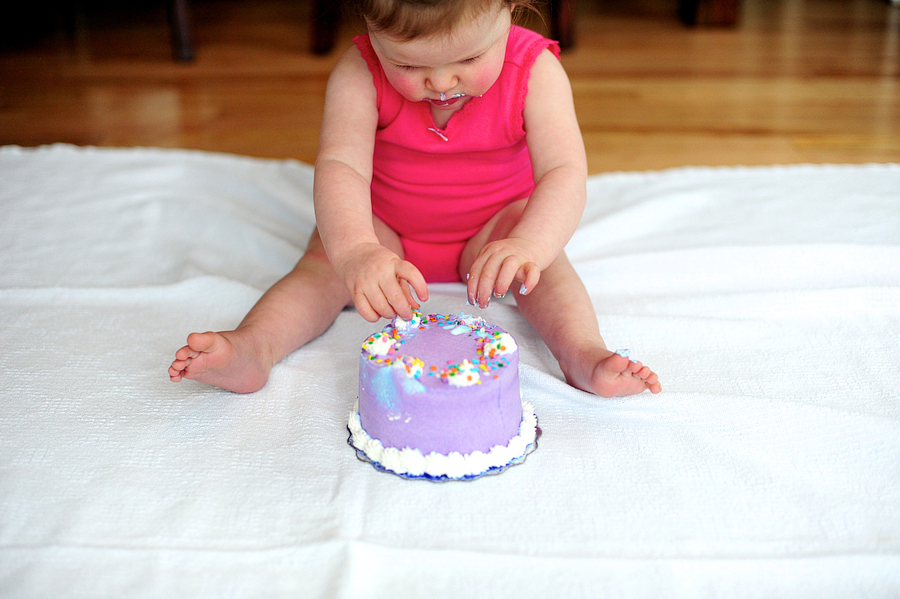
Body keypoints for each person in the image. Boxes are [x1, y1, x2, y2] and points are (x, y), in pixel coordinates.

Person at [169, 0, 661, 397]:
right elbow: (341, 167)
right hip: (384, 227)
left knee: (545, 270)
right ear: (370, 27)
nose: (443, 83)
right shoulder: (359, 72)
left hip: (494, 229)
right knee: (321, 267)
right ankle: (255, 347)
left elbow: (564, 171)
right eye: (408, 64)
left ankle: (582, 353)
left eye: (470, 59)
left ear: (510, 10)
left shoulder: (536, 70)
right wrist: (357, 250)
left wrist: (530, 245)